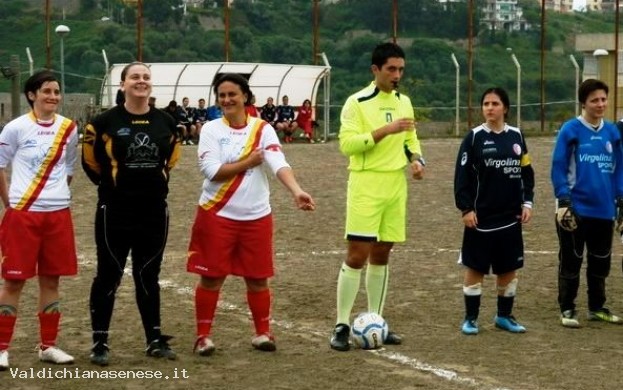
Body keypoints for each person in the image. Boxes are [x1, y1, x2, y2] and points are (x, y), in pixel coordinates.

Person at [187, 73, 315, 356]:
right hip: (216, 213)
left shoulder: (263, 129)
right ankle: (203, 336)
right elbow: (212, 172)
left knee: (258, 278)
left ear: (245, 96)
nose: (226, 100)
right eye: (221, 95)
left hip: (256, 216)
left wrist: (296, 191)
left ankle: (262, 333)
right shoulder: (210, 129)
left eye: (232, 94)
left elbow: (277, 161)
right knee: (212, 277)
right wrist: (248, 162)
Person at [82, 61, 182, 366]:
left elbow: (171, 163)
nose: (141, 81)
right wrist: (117, 188)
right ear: (123, 84)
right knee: (108, 276)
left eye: (146, 77)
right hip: (115, 210)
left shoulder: (168, 123)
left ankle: (154, 339)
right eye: (134, 77)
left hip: (153, 211)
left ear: (151, 85)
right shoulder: (102, 123)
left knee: (148, 275)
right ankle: (100, 343)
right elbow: (91, 164)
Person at [329, 42, 425, 352]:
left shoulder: (404, 102)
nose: (397, 75)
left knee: (382, 254)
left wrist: (417, 160)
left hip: (395, 186)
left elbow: (411, 139)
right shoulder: (356, 103)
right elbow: (348, 145)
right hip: (366, 184)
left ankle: (376, 320)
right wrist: (385, 130)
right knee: (358, 254)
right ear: (375, 70)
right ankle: (342, 325)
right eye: (391, 69)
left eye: (401, 69)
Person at [0, 70, 79, 369]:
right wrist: (11, 202)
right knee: (13, 281)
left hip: (58, 214)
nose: (53, 97)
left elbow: (69, 167)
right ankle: (2, 348)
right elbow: (0, 166)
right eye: (47, 91)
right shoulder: (15, 128)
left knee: (51, 280)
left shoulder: (69, 128)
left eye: (57, 91)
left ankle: (48, 346)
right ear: (32, 95)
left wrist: (56, 195)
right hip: (23, 214)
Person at [454, 87, 535, 335]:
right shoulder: (474, 137)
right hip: (481, 217)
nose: (490, 108)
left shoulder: (517, 137)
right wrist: (466, 208)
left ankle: (504, 316)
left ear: (505, 108)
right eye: (486, 103)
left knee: (509, 268)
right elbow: (461, 177)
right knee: (475, 267)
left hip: (510, 216)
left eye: (495, 103)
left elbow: (526, 173)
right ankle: (471, 318)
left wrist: (527, 202)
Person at [552, 78, 623, 328]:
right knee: (571, 259)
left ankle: (596, 307)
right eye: (595, 100)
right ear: (583, 102)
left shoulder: (612, 132)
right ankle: (568, 308)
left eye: (604, 99)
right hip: (575, 208)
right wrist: (563, 198)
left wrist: (620, 197)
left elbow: (618, 169)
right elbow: (559, 166)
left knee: (600, 260)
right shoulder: (571, 130)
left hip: (604, 209)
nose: (600, 104)